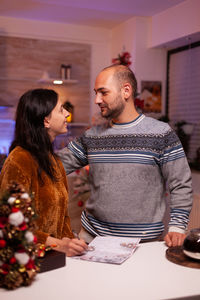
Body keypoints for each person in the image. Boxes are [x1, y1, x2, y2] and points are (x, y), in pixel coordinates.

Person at [58, 65, 193, 247]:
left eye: (103, 92)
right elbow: (54, 166)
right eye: (95, 93)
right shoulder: (92, 136)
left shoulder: (161, 133)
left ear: (126, 91)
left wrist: (177, 226)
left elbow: (181, 183)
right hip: (92, 239)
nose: (97, 100)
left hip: (144, 244)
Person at [0, 89, 87, 256]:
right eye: (61, 110)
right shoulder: (19, 159)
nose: (68, 114)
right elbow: (11, 223)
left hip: (55, 260)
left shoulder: (54, 161)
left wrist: (70, 241)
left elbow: (63, 219)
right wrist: (58, 245)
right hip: (28, 262)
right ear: (46, 120)